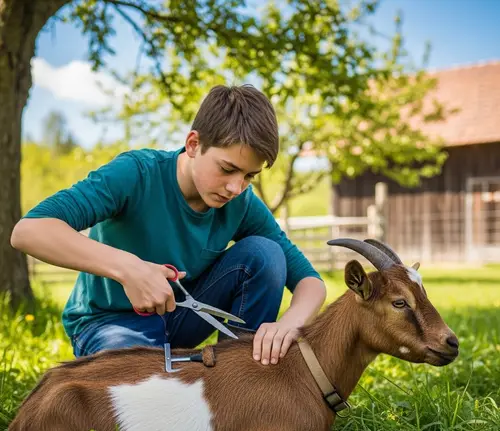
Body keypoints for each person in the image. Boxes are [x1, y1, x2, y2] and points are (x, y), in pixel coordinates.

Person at [11, 84, 326, 365]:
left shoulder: (242, 203)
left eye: (248, 176)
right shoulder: (136, 174)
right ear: (193, 144)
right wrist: (130, 269)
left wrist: (289, 325)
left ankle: (239, 377)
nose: (235, 187)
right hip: (109, 323)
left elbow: (310, 282)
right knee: (145, 397)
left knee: (266, 254)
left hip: (180, 317)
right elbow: (29, 231)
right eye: (227, 168)